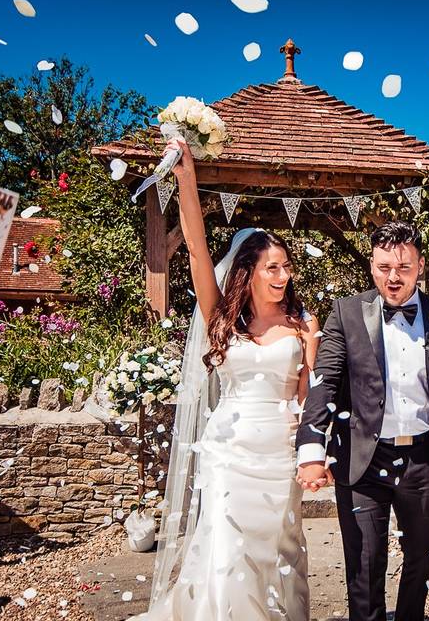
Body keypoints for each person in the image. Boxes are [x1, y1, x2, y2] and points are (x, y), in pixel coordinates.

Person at [132, 140, 322, 620]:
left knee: (277, 555)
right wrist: (187, 180)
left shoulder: (303, 324)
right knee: (226, 550)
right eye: (272, 267)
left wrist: (311, 455)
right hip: (229, 450)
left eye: (286, 266)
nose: (283, 274)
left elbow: (308, 397)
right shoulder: (221, 316)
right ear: (249, 272)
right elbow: (196, 249)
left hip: (278, 455)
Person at [296, 221, 429, 621]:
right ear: (371, 265)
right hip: (362, 461)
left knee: (420, 559)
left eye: (403, 268)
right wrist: (312, 446)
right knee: (364, 566)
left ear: (420, 267)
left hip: (422, 462)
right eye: (383, 268)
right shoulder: (346, 312)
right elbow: (325, 381)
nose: (393, 278)